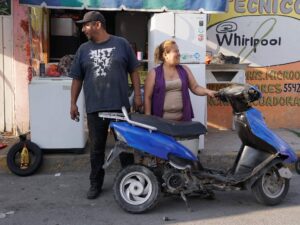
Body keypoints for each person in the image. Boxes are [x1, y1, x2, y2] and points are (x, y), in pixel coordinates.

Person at [69, 11, 142, 199]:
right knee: (96, 149)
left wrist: (138, 96)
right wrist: (73, 104)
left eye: (86, 25)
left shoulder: (122, 44)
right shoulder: (83, 49)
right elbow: (77, 78)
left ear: (97, 25)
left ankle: (131, 181)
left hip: (120, 107)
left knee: (125, 146)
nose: (83, 29)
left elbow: (134, 70)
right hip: (95, 108)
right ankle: (95, 184)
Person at [144, 40, 216, 121]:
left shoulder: (185, 69)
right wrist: (148, 118)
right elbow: (147, 97)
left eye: (178, 51)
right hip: (161, 123)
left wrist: (208, 92)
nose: (179, 54)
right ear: (165, 55)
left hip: (182, 122)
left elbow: (195, 87)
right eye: (176, 51)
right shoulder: (154, 73)